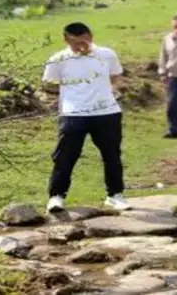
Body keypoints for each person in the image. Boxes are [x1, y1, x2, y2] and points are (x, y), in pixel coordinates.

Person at [42, 22, 131, 213]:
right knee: (65, 156)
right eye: (75, 43)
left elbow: (115, 77)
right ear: (66, 40)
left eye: (83, 41)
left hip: (106, 111)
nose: (80, 47)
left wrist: (100, 91)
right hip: (74, 112)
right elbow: (48, 83)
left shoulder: (107, 54)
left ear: (90, 36)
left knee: (112, 155)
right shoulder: (58, 59)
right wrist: (71, 90)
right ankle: (57, 196)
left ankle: (115, 195)